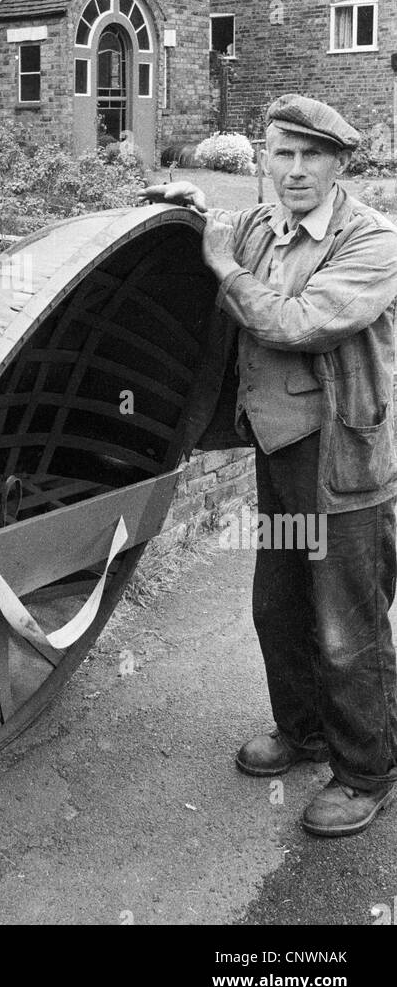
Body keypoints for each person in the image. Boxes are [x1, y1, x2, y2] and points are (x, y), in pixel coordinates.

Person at [143, 93, 397, 836]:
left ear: (340, 163)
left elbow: (295, 324)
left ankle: (368, 770)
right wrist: (194, 211)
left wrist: (222, 266)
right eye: (280, 154)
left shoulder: (372, 242)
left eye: (310, 155)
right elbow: (227, 233)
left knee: (348, 625)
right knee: (279, 608)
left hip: (344, 464)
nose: (293, 170)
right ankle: (306, 732)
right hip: (281, 452)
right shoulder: (261, 226)